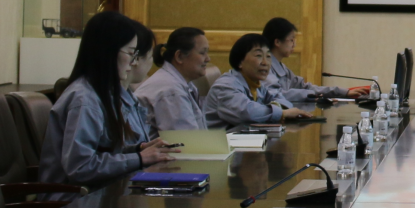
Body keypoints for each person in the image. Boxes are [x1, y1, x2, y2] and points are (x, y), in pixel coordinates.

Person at [39, 11, 178, 186]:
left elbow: (104, 151)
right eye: (131, 53)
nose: (132, 62)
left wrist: (137, 150)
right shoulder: (85, 100)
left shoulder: (103, 92)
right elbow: (80, 167)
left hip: (103, 191)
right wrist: (139, 158)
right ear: (108, 52)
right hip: (75, 198)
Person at [259, 17, 367, 110]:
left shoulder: (281, 67)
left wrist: (343, 92)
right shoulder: (264, 68)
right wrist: (313, 95)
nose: (294, 44)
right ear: (277, 42)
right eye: (291, 40)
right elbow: (277, 94)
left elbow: (305, 87)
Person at [206, 32, 309, 126]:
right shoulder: (226, 86)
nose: (265, 62)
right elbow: (247, 113)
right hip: (218, 140)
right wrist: (282, 113)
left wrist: (276, 107)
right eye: (258, 55)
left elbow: (281, 99)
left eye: (268, 56)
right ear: (240, 61)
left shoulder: (256, 84)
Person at [135, 26, 213, 134]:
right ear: (179, 56)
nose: (208, 59)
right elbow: (186, 140)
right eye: (202, 53)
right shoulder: (170, 91)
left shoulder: (178, 83)